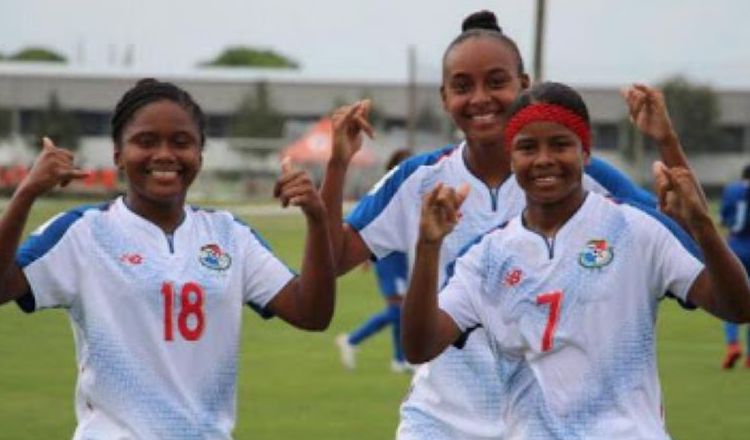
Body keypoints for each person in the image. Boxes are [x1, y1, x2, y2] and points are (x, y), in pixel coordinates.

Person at [320, 10, 693, 440]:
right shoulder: (419, 180)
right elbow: (331, 260)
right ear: (444, 98)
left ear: (524, 85)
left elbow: (684, 245)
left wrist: (667, 141)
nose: (480, 98)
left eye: (496, 82)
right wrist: (337, 164)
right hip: (443, 423)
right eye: (462, 87)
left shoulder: (580, 175)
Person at [402, 81, 750, 439]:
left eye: (560, 144)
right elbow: (419, 346)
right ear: (511, 157)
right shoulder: (486, 256)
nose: (544, 159)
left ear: (585, 152)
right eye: (527, 147)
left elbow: (738, 307)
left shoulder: (637, 229)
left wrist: (703, 226)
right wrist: (428, 248)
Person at [0, 78, 335, 439]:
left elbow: (311, 313)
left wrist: (317, 221)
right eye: (145, 141)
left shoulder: (229, 235)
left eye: (181, 142)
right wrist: (27, 193)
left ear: (200, 156)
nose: (164, 154)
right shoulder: (83, 232)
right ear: (118, 155)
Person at [336, 149, 414, 373]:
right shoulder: (388, 191)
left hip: (398, 256)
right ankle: (351, 340)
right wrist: (367, 253)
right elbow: (366, 221)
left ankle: (400, 360)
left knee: (401, 307)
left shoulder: (408, 192)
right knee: (398, 309)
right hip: (388, 257)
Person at [719, 164, 750, 369]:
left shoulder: (731, 190)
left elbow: (724, 219)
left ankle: (732, 345)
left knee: (729, 297)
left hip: (735, 247)